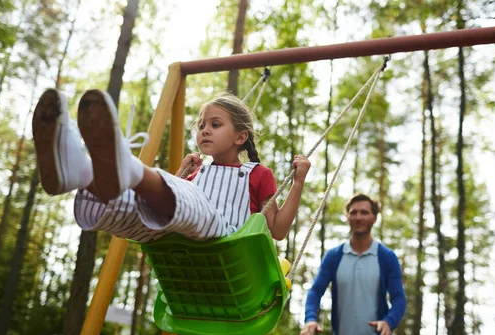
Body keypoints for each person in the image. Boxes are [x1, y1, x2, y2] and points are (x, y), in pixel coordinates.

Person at [32, 88, 310, 243]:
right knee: (133, 211)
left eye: (215, 125)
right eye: (201, 125)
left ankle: (125, 167)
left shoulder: (258, 174)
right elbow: (165, 207)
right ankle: (80, 173)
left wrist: (297, 184)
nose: (204, 131)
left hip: (224, 245)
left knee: (196, 210)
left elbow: (277, 230)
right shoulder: (197, 171)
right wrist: (180, 176)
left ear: (240, 137)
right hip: (178, 246)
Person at [299, 194, 406, 335]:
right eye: (353, 212)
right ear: (347, 216)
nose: (358, 217)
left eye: (364, 212)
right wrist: (310, 319)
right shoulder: (334, 256)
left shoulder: (386, 257)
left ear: (374, 217)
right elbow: (315, 291)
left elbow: (399, 299)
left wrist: (388, 322)